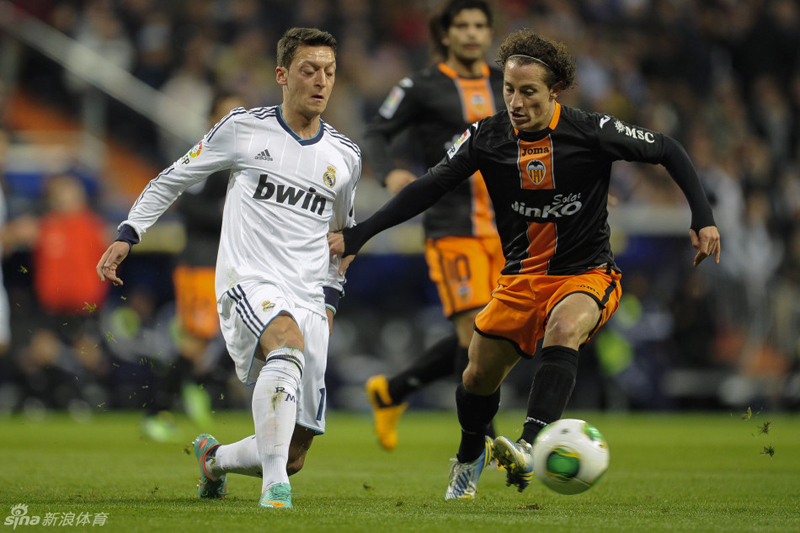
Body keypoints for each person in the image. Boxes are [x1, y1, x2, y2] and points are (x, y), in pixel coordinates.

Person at [329, 28, 720, 500]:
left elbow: (668, 150)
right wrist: (360, 234)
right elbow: (428, 187)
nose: (516, 100)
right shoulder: (486, 136)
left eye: (528, 91)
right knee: (475, 378)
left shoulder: (591, 131)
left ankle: (529, 445)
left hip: (585, 273)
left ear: (554, 92)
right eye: (509, 89)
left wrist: (703, 218)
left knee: (564, 329)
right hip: (519, 280)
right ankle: (470, 454)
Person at [97, 27, 360, 509]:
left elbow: (345, 238)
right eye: (309, 70)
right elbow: (172, 179)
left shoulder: (345, 156)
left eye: (329, 71)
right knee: (285, 343)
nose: (321, 81)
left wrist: (331, 299)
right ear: (282, 75)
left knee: (294, 449)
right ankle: (273, 489)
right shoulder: (243, 127)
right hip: (249, 279)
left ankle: (214, 460)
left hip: (309, 296)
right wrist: (128, 232)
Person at [361, 0, 504, 451]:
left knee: (499, 337)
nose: (471, 33)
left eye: (479, 25)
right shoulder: (420, 86)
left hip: (507, 229)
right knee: (474, 337)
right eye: (462, 25)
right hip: (451, 223)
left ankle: (393, 390)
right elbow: (378, 131)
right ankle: (491, 446)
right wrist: (390, 173)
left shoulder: (508, 85)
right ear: (445, 34)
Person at [140, 92, 248, 442]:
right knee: (196, 341)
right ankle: (157, 410)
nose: (235, 118)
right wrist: (226, 214)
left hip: (232, 263)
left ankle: (198, 387)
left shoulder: (246, 157)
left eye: (240, 112)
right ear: (212, 119)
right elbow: (186, 204)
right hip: (201, 261)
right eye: (227, 112)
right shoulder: (207, 153)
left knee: (236, 335)